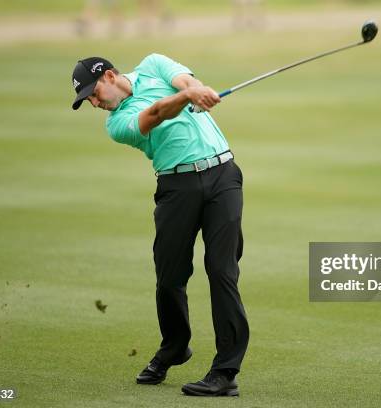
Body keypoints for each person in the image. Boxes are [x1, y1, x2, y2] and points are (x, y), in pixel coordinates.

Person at [70, 54, 249, 397]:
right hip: (176, 188)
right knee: (170, 277)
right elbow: (155, 114)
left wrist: (196, 90)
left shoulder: (153, 64)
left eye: (93, 93)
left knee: (222, 270)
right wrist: (188, 97)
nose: (93, 103)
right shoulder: (116, 124)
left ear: (109, 76)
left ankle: (225, 371)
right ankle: (175, 348)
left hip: (223, 176)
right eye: (88, 100)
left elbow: (185, 81)